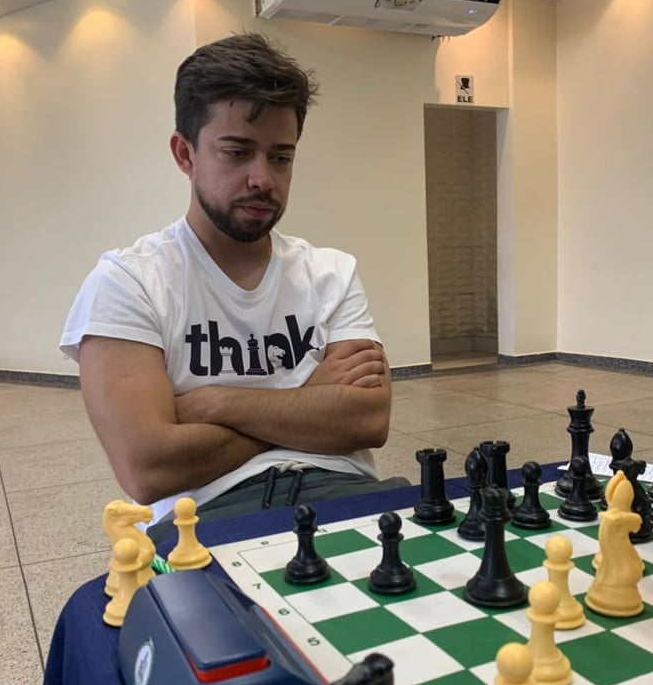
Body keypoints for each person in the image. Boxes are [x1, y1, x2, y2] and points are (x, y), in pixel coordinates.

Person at [60, 33, 409, 541]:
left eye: (281, 157)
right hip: (205, 517)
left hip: (346, 494)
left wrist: (214, 403)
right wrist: (307, 397)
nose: (263, 178)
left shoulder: (331, 271)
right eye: (237, 152)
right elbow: (148, 466)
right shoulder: (127, 283)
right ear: (184, 153)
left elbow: (367, 422)